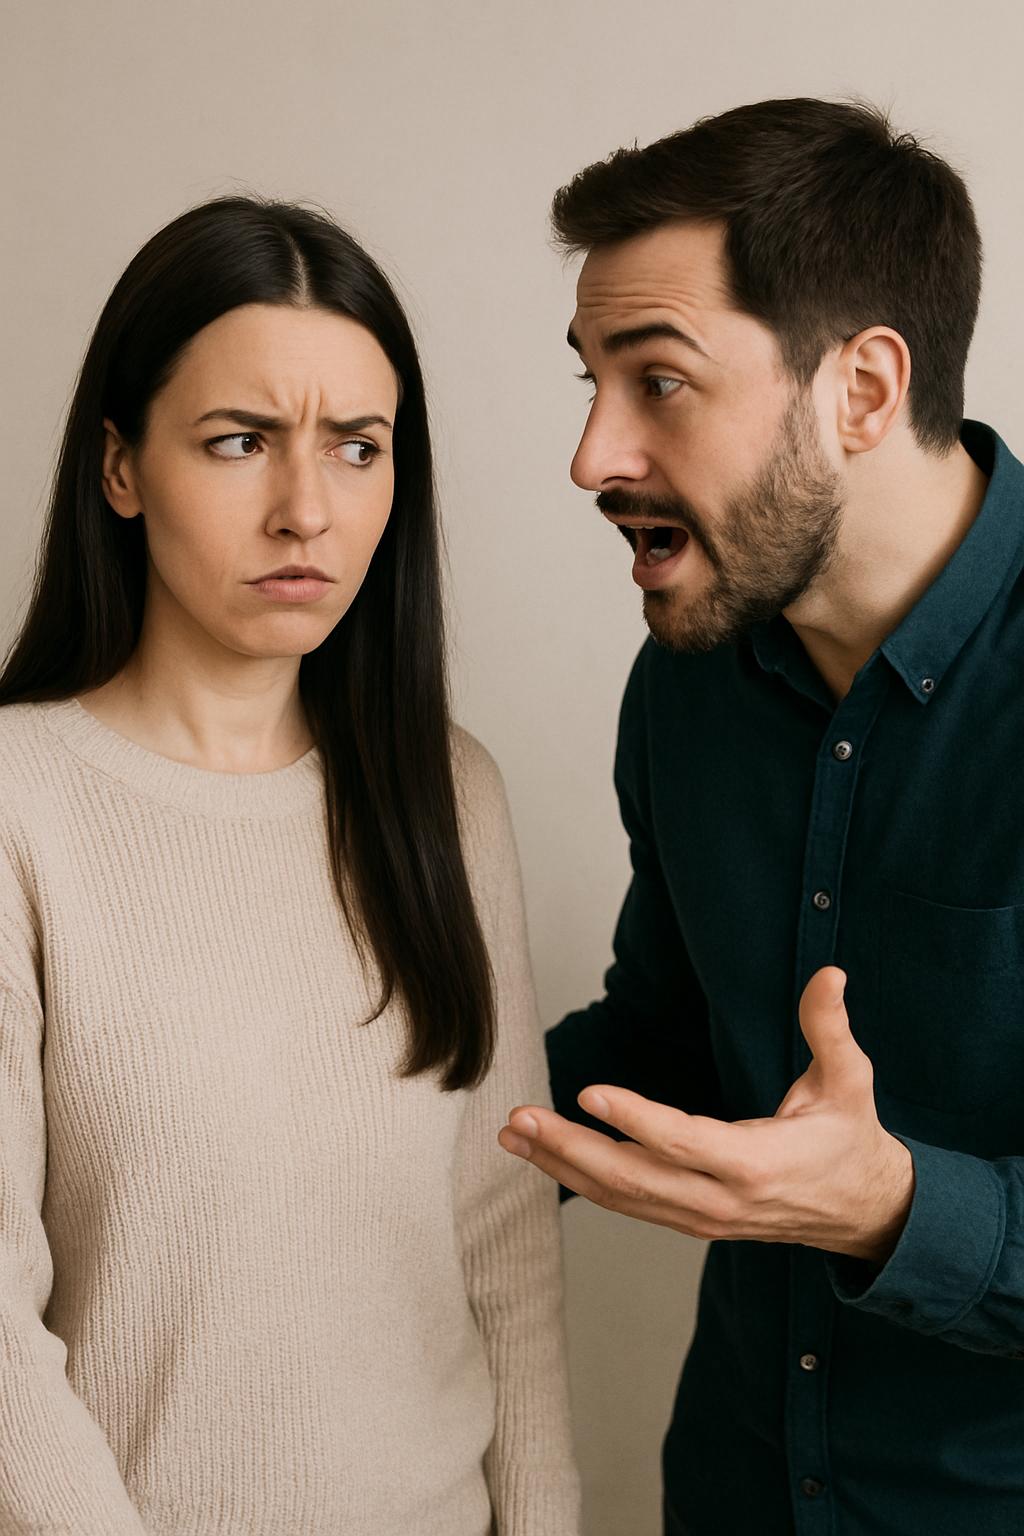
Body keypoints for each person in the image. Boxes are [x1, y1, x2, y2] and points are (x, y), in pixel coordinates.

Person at [0, 196, 580, 1535]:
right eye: (240, 441)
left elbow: (502, 1247)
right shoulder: (23, 803)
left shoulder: (449, 794)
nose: (306, 510)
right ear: (121, 467)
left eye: (357, 447)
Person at [497, 98, 1024, 1534]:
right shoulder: (688, 685)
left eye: (659, 381)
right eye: (593, 382)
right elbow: (668, 1040)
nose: (593, 456)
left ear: (863, 389)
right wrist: (382, 1120)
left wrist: (892, 1206)